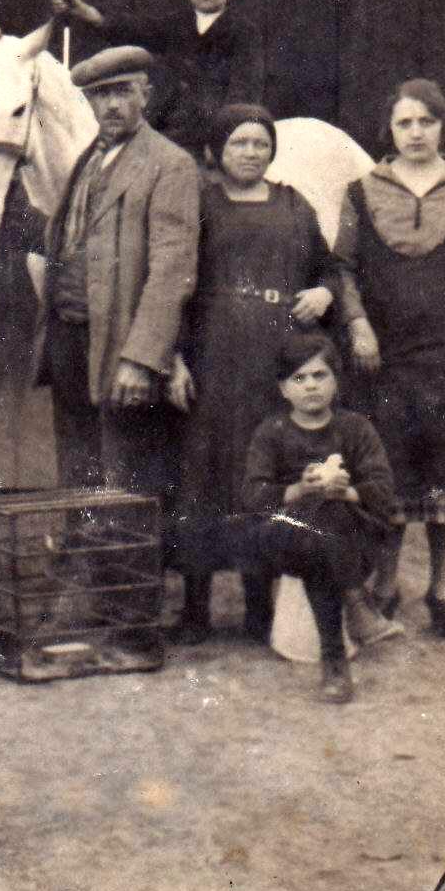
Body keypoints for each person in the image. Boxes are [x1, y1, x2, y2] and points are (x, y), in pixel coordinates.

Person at [334, 78, 445, 642]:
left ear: (443, 127)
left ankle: (443, 591)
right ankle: (386, 585)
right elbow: (342, 269)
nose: (415, 133)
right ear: (390, 130)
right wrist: (358, 324)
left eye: (426, 122)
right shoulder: (361, 191)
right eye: (404, 122)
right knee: (388, 472)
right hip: (384, 359)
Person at [167, 103, 344, 644]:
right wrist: (174, 357)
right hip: (213, 360)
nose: (251, 152)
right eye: (239, 143)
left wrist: (324, 293)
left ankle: (258, 610)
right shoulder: (200, 204)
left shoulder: (293, 204)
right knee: (201, 480)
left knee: (263, 476)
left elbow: (328, 266)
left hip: (274, 363)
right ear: (217, 151)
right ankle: (195, 610)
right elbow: (173, 281)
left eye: (260, 143)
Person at [33, 45, 199, 520]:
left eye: (123, 92)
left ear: (145, 95)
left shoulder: (170, 163)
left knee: (125, 475)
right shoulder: (88, 160)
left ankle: (122, 562)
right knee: (76, 462)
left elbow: (172, 269)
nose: (112, 105)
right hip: (69, 335)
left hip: (121, 344)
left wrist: (141, 358)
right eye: (100, 95)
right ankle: (80, 550)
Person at [239, 335, 400, 704]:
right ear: (283, 388)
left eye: (320, 375)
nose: (310, 385)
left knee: (330, 520)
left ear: (336, 381)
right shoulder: (272, 431)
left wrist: (348, 491)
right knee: (321, 526)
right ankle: (347, 629)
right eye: (299, 378)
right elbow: (252, 494)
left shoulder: (355, 428)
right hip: (287, 537)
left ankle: (336, 653)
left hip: (348, 535)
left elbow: (384, 489)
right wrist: (299, 488)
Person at [45, 0, 263, 160]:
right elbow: (134, 29)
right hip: (167, 127)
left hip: (210, 137)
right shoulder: (176, 24)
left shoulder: (243, 32)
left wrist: (220, 140)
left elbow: (243, 92)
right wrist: (87, 13)